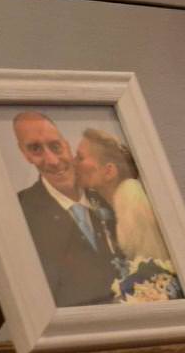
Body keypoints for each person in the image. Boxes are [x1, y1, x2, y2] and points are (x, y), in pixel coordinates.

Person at [11, 112, 119, 307]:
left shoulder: (109, 195)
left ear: (67, 144)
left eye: (55, 146)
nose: (52, 160)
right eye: (35, 149)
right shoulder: (17, 211)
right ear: (24, 154)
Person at [76, 128, 171, 267]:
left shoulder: (130, 196)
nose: (73, 163)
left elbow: (151, 267)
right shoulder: (119, 198)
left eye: (80, 157)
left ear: (109, 171)